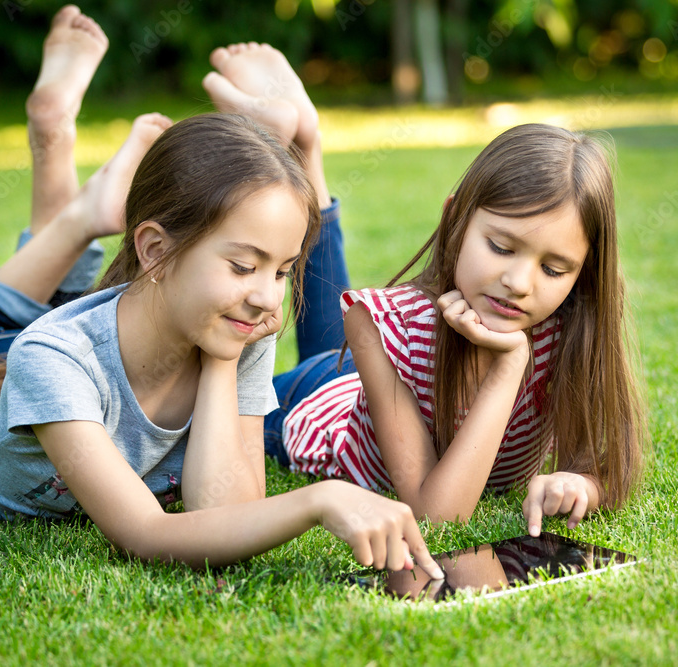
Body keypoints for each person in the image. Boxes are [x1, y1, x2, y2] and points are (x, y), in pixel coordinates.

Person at [0, 6, 444, 578]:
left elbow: (225, 512)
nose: (269, 298)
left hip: (99, 335)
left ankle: (86, 212)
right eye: (244, 265)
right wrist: (318, 500)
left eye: (281, 271)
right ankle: (63, 168)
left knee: (75, 314)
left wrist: (224, 360)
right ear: (154, 249)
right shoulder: (50, 360)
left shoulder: (236, 328)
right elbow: (146, 534)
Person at [203, 44, 645, 537]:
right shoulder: (386, 326)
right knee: (323, 361)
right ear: (454, 218)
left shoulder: (570, 327)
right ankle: (297, 151)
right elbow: (438, 516)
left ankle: (305, 142)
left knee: (337, 352)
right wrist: (509, 366)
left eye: (555, 269)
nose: (519, 284)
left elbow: (608, 464)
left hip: (369, 379)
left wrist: (584, 484)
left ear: (584, 273)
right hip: (314, 407)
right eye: (501, 247)